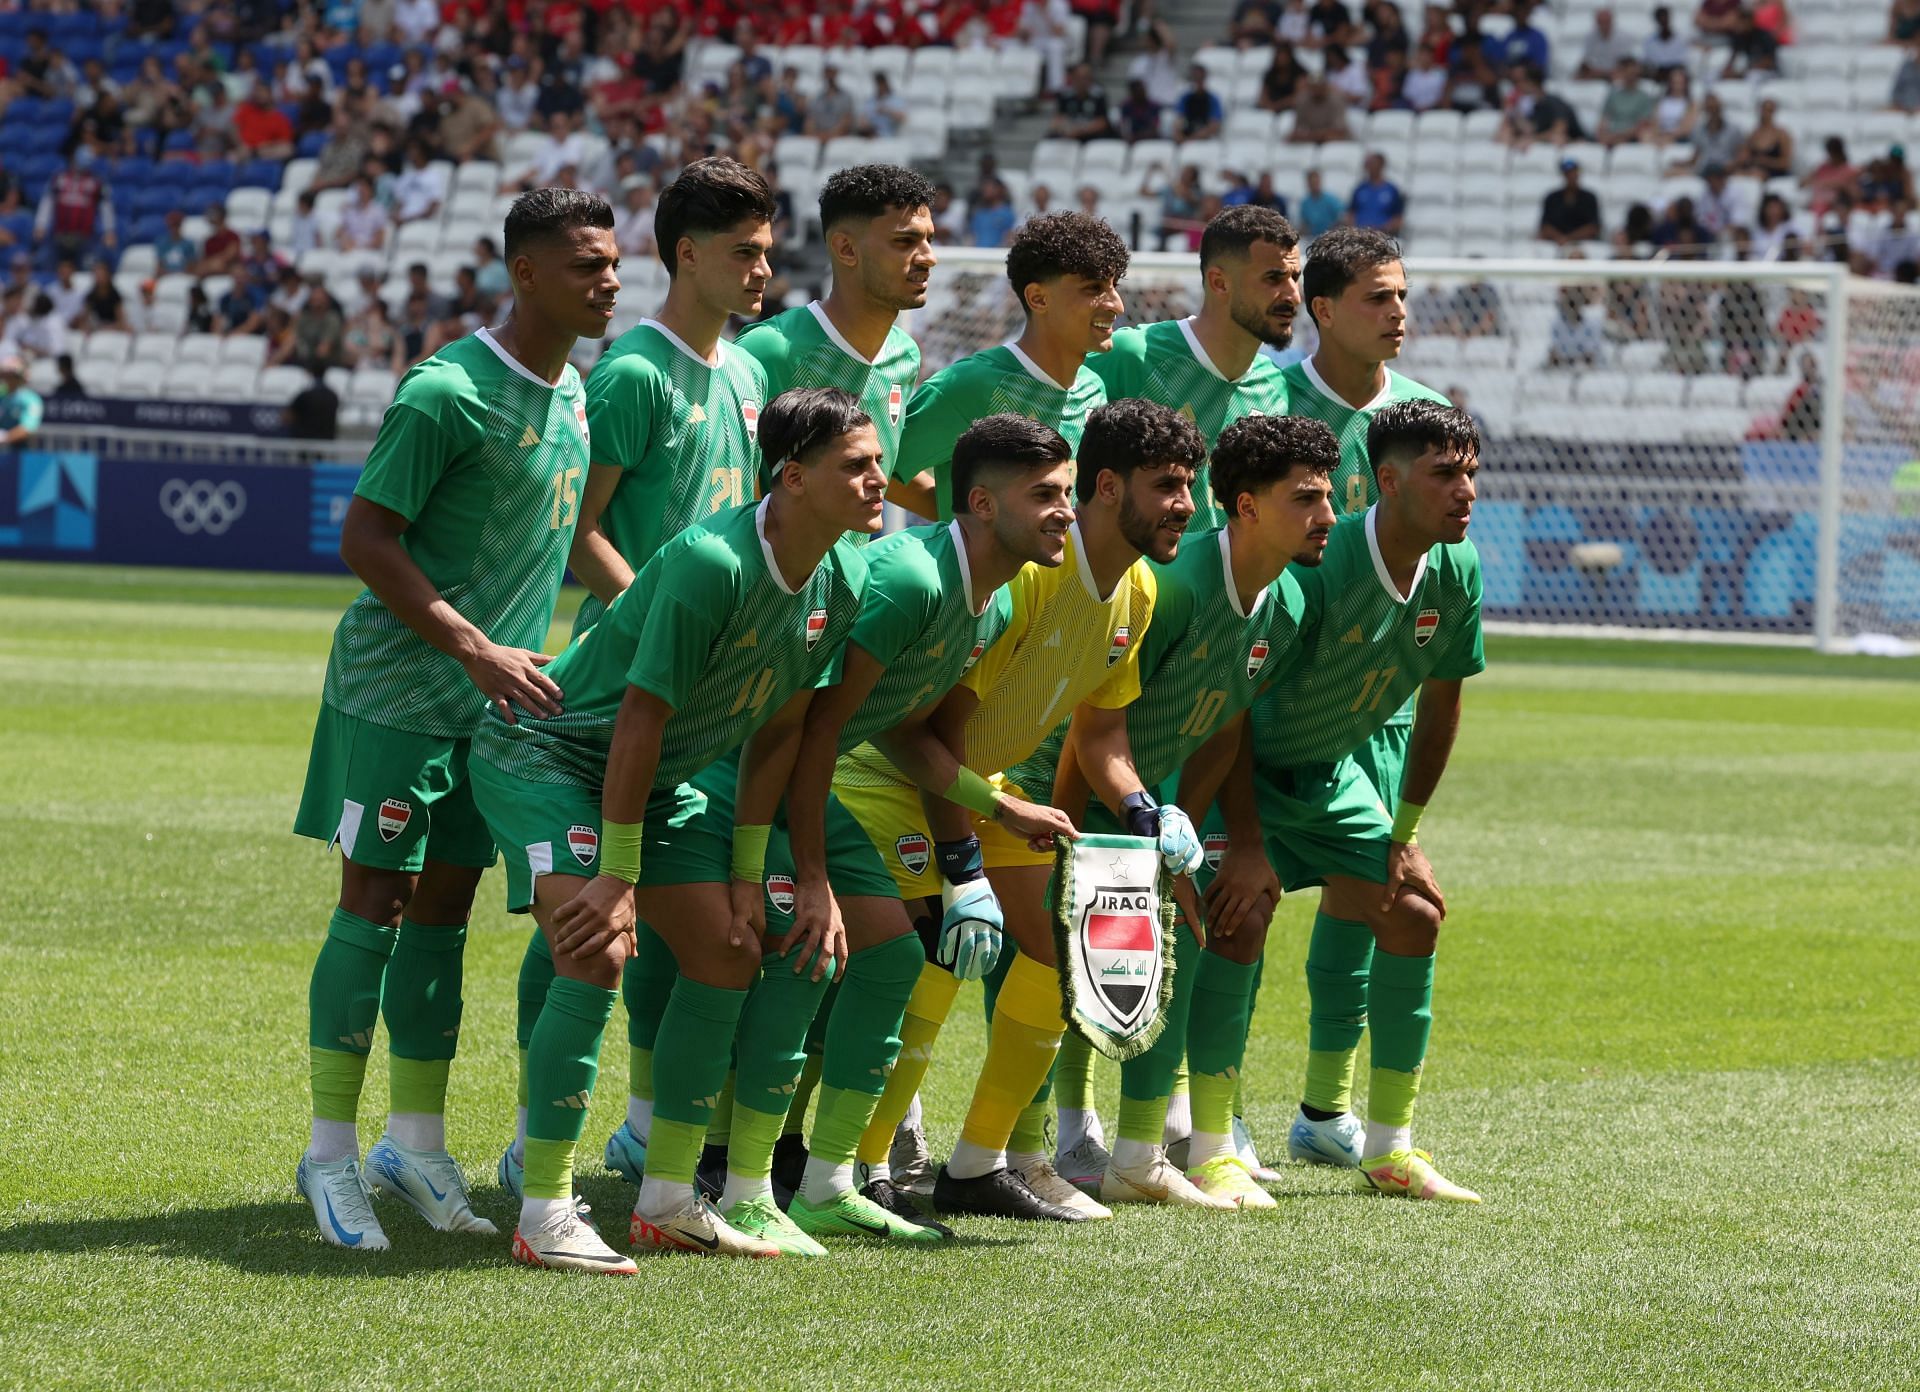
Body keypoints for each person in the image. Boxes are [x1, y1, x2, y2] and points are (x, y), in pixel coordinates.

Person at [472, 387, 883, 1269]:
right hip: (547, 756)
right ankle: (542, 1208)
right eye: (857, 465)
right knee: (594, 948)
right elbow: (637, 722)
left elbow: (778, 732)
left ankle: (665, 1201)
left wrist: (746, 872)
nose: (878, 480)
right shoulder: (711, 562)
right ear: (794, 477)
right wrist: (617, 875)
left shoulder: (843, 578)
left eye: (877, 461)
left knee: (733, 950)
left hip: (656, 784)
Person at [290, 188, 620, 1256]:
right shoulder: (448, 391)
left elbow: (570, 542)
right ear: (525, 273)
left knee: (445, 913)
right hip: (399, 689)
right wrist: (475, 646)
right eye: (585, 265)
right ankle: (329, 1153)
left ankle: (413, 1144)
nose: (608, 280)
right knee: (374, 904)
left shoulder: (574, 391)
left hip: (494, 711)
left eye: (613, 262)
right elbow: (366, 538)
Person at [700, 415, 1083, 1250]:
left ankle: (827, 1184)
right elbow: (811, 732)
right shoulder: (911, 578)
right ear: (981, 503)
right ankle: (730, 1178)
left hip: (796, 767)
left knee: (889, 957)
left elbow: (902, 730)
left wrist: (997, 804)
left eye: (1069, 492)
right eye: (1045, 495)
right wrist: (812, 878)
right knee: (811, 952)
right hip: (735, 768)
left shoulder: (996, 594)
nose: (1066, 511)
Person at [851, 400, 1201, 1224]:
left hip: (989, 790)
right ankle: (862, 1165)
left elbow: (1104, 733)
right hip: (909, 781)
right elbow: (933, 732)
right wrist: (965, 862)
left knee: (1048, 952)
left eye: (1191, 484)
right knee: (937, 955)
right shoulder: (1031, 573)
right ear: (1107, 488)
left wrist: (1148, 807)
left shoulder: (1140, 590)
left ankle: (978, 1164)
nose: (1186, 503)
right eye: (1169, 485)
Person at [1035, 414, 1338, 1213]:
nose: (1329, 515)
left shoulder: (1289, 604)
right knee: (1045, 966)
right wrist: (1067, 851)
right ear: (1245, 507)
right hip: (1065, 791)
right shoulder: (1173, 589)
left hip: (1144, 804)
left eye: (1329, 496)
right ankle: (1055, 1137)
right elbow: (1087, 728)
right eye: (1308, 498)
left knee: (1171, 942)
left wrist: (1199, 843)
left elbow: (1225, 720)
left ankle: (1141, 1153)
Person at [1216, 398, 1486, 1203]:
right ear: (1386, 482)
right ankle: (1215, 1131)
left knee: (1413, 913)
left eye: (1471, 472)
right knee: (1238, 920)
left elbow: (1443, 706)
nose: (1465, 490)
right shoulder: (1317, 566)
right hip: (1243, 781)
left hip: (1333, 781)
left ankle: (1389, 1147)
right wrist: (1248, 840)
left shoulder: (1458, 570)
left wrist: (1403, 832)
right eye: (1444, 474)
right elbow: (1229, 701)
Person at [563, 157, 775, 644]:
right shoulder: (633, 374)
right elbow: (576, 528)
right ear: (688, 254)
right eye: (745, 252)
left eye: (765, 252)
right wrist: (656, 623)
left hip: (716, 648)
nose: (763, 269)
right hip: (633, 654)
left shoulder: (750, 371)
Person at [738, 165, 941, 528]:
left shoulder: (904, 356)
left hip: (851, 579)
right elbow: (733, 486)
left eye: (929, 240)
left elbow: (886, 473)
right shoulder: (767, 351)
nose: (928, 257)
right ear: (846, 248)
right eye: (905, 241)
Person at [894, 211, 1129, 521]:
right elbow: (885, 471)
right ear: (1038, 298)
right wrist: (964, 524)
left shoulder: (1092, 387)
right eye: (1093, 289)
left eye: (1114, 287)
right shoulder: (969, 386)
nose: (1116, 305)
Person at [1539, 159, 1602, 246]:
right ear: (1563, 175)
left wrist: (1569, 239)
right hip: (1556, 243)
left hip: (1583, 244)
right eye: (1568, 173)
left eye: (1573, 172)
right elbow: (1545, 226)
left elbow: (1594, 227)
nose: (1571, 176)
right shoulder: (1552, 198)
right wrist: (1560, 238)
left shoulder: (1589, 198)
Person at [1052, 62, 1118, 142]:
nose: (1082, 81)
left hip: (1092, 135)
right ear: (1073, 78)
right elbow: (1057, 119)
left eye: (1086, 78)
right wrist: (1064, 128)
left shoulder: (1098, 95)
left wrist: (1080, 131)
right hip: (1070, 134)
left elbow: (1102, 122)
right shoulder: (1064, 95)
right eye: (1079, 78)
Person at [1596, 57, 1654, 148]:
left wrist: (1622, 137)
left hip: (1632, 137)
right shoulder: (1613, 96)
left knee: (1646, 135)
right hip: (1611, 135)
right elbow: (1603, 120)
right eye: (1628, 72)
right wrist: (1603, 136)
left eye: (1633, 73)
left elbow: (1643, 124)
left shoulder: (1644, 97)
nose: (1631, 76)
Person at [1347, 152, 1405, 234]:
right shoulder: (1360, 189)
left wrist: (1385, 229)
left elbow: (1398, 218)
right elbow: (1351, 213)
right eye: (1368, 164)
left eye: (1373, 163)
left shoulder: (1392, 190)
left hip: (1383, 235)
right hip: (1360, 235)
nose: (1369, 167)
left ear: (1381, 165)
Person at [285, 365, 341, 439]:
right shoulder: (333, 395)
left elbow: (287, 417)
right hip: (326, 441)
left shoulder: (305, 395)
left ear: (310, 373)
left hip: (306, 441)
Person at [1576, 7, 1632, 80]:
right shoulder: (1589, 38)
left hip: (1617, 74)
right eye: (1601, 22)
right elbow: (1587, 62)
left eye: (1606, 22)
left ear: (1611, 22)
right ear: (1597, 22)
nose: (1604, 25)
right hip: (1596, 74)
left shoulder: (1624, 37)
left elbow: (1625, 63)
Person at [0, 356, 44, 447]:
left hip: (21, 455)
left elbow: (27, 428)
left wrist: (4, 437)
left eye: (10, 376)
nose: (5, 379)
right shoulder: (2, 395)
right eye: (3, 375)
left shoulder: (31, 400)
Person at [1299, 168, 1344, 237]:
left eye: (1316, 182)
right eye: (1311, 183)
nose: (1314, 185)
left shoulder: (1331, 200)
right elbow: (1304, 224)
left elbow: (1341, 218)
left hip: (1330, 237)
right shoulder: (1305, 203)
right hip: (1312, 238)